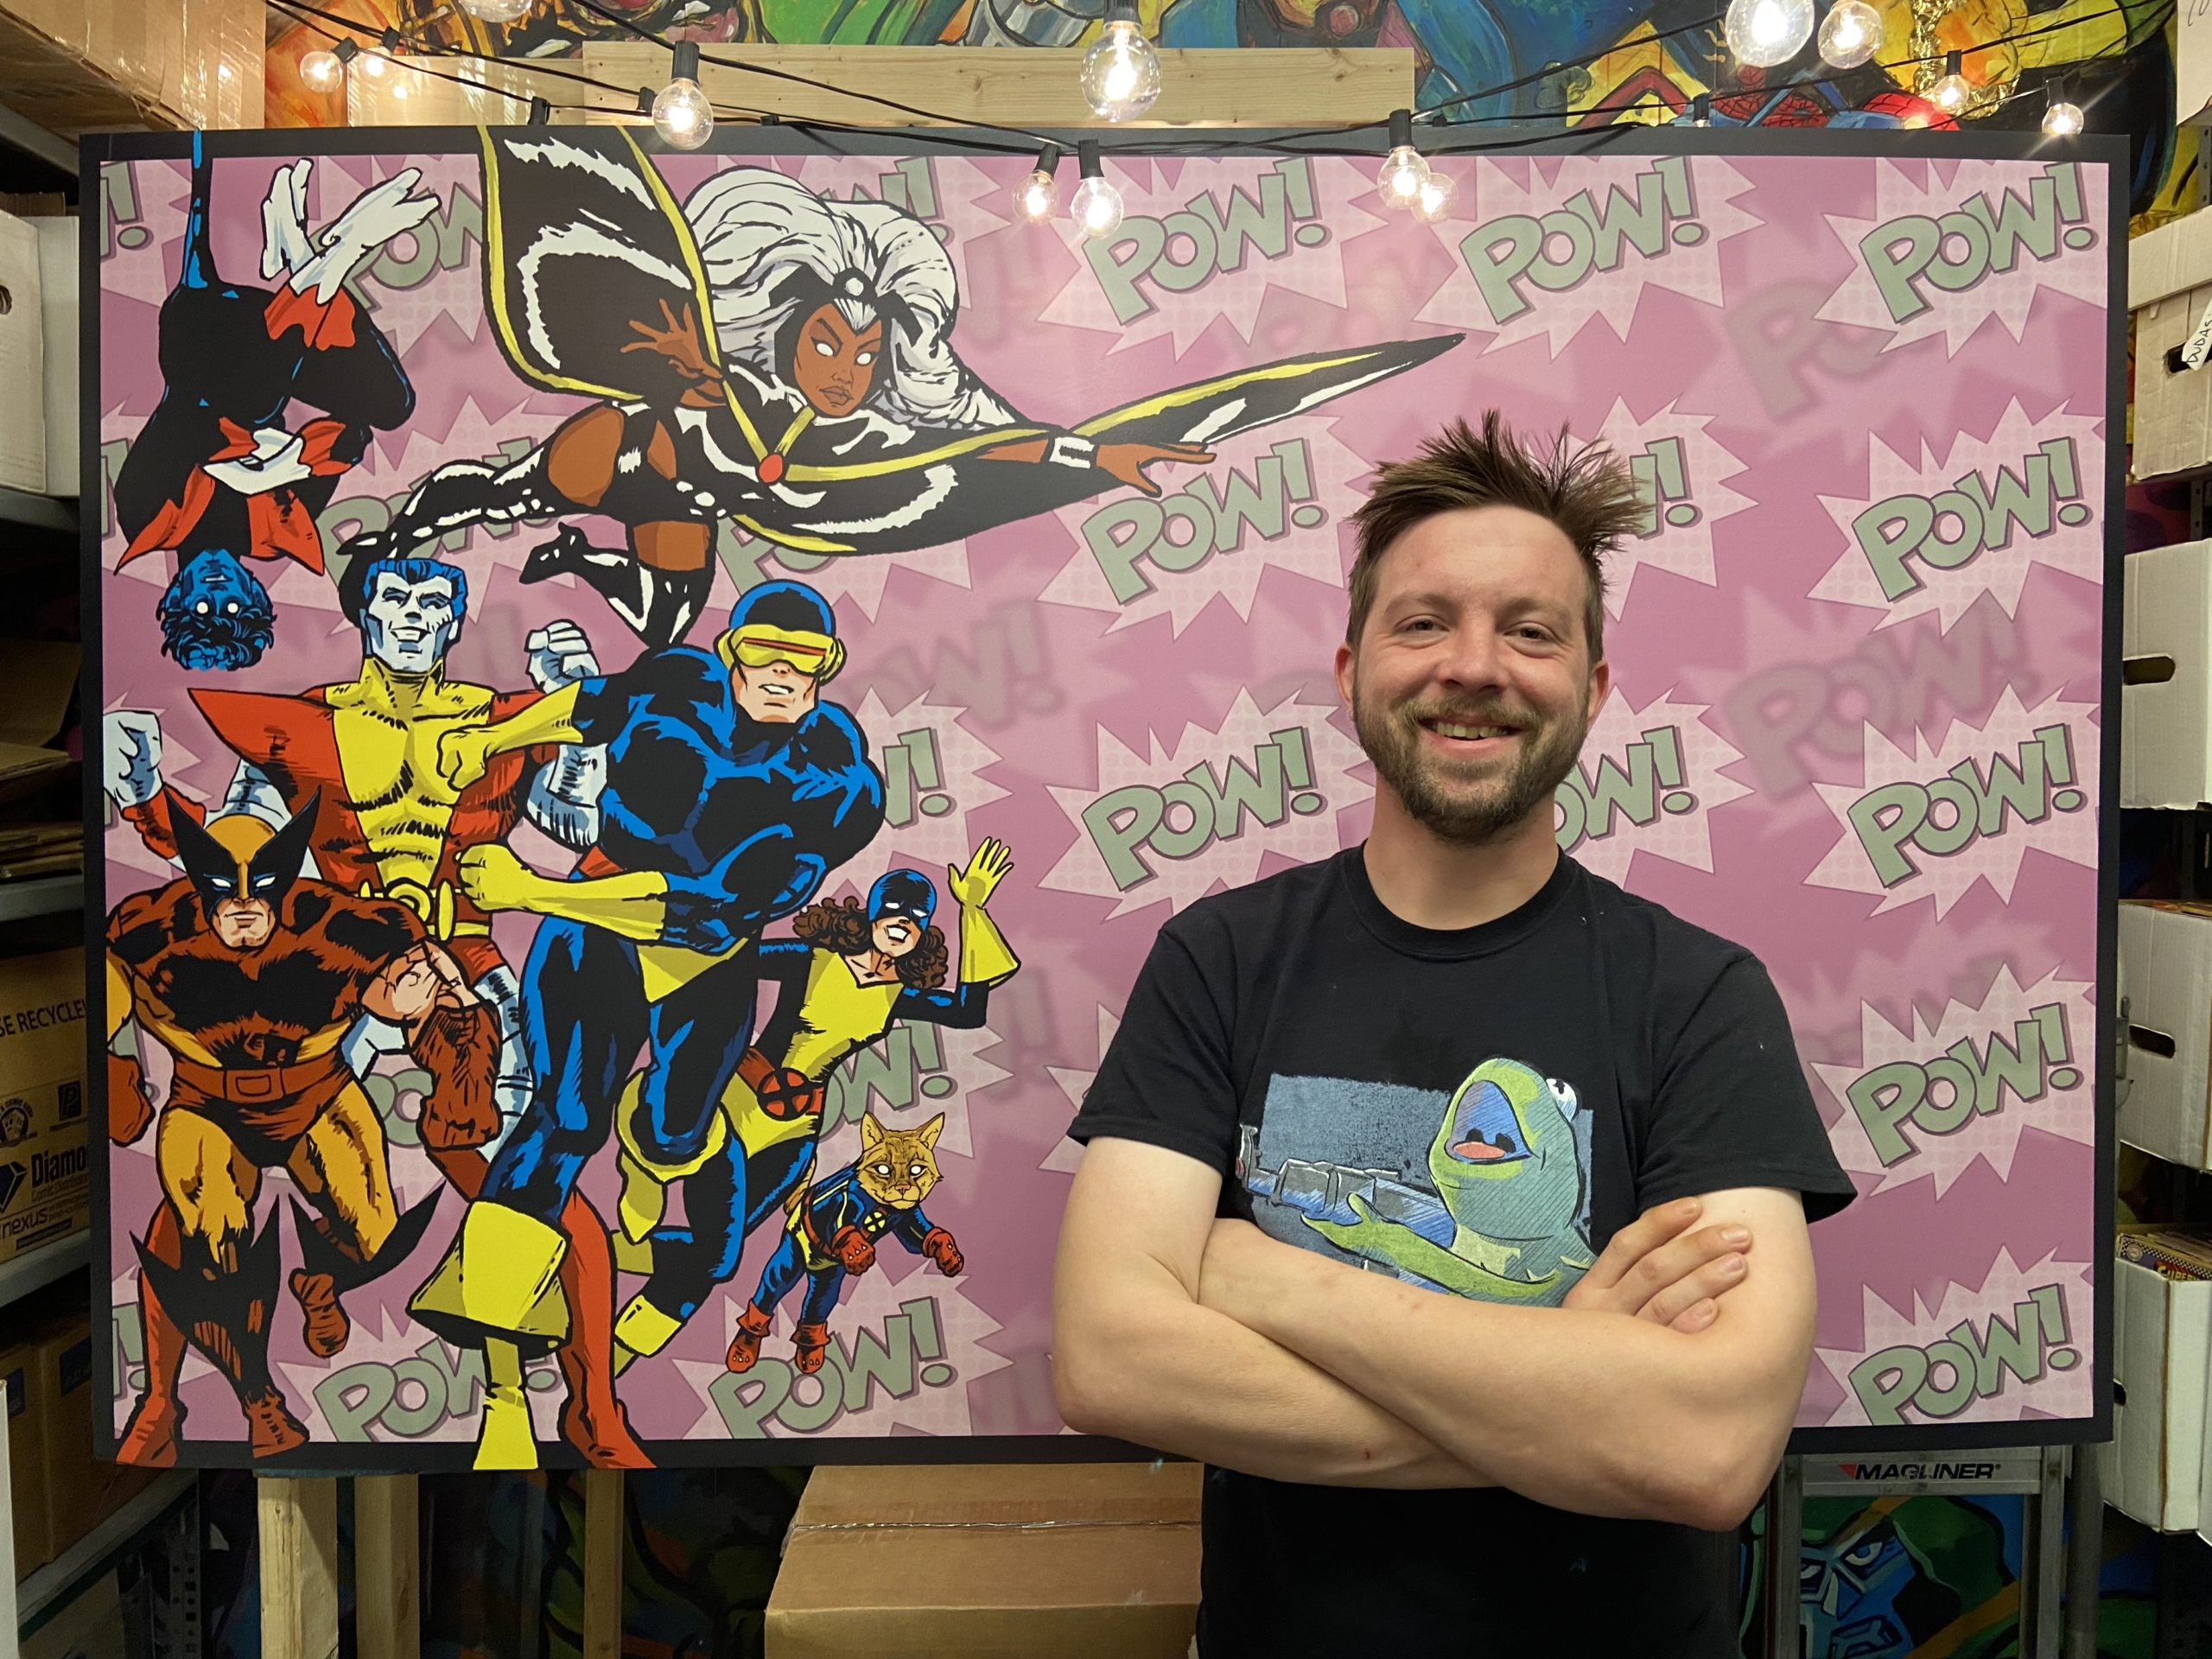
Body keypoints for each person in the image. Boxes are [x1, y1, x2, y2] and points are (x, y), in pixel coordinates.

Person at [1052, 412, 1856, 1657]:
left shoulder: (1697, 997)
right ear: (1350, 672)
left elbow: (1706, 1450)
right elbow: (1110, 1360)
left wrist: (1270, 1279)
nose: (1474, 666)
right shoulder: (1219, 963)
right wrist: (1575, 1388)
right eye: (1424, 622)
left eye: (1530, 631)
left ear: (1592, 691)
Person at [101, 556, 645, 1467]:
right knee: (209, 1164)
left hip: (460, 962)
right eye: (395, 597)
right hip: (333, 965)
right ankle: (162, 1400)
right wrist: (149, 797)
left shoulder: (500, 721)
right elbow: (238, 853)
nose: (414, 615)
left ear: (456, 620)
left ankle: (594, 1406)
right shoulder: (299, 725)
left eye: (434, 601)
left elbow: (579, 825)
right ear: (364, 612)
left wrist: (578, 718)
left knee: (533, 1174)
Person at [405, 579, 884, 1467]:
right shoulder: (675, 682)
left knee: (672, 1135)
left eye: (806, 660)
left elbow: (704, 910)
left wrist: (531, 891)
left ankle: (647, 1160)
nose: (783, 673)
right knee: (563, 1123)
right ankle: (504, 1395)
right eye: (765, 652)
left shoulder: (837, 781)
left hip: (698, 950)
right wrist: (489, 740)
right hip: (594, 934)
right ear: (731, 651)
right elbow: (591, 704)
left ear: (829, 667)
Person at [105, 803, 498, 1462]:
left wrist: (453, 1042)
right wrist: (117, 1069)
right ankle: (245, 1400)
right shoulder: (149, 931)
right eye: (223, 891)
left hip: (318, 1097)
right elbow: (109, 989)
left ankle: (321, 1284)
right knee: (208, 1236)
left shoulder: (342, 927)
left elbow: (440, 987)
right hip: (207, 1105)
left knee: (374, 1234)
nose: (243, 910)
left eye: (259, 889)